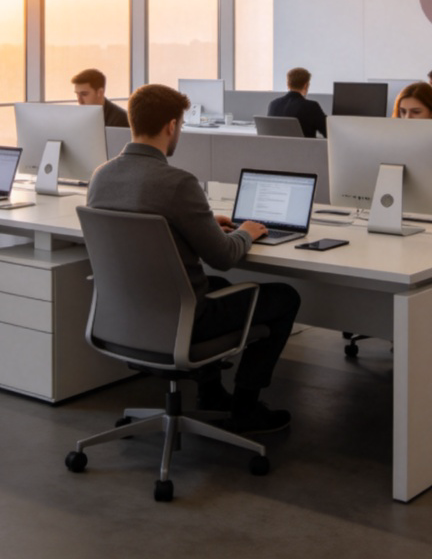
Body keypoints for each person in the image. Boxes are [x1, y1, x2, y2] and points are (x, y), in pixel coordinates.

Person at [87, 83, 300, 433]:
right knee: (285, 297)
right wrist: (246, 232)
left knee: (216, 285)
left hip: (126, 317)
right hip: (181, 321)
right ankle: (246, 408)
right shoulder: (178, 183)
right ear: (171, 125)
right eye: (181, 125)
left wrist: (203, 223)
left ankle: (211, 393)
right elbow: (224, 255)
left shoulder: (101, 176)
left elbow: (150, 224)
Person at [267, 67, 327, 138]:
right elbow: (327, 131)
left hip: (277, 145)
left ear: (288, 84)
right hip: (304, 145)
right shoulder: (311, 107)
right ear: (306, 85)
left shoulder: (273, 104)